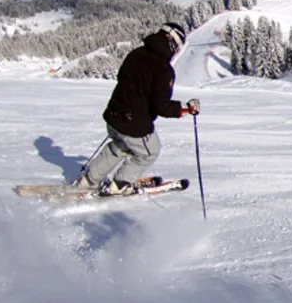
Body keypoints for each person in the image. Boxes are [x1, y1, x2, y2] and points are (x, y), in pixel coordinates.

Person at [74, 22, 201, 194]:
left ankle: (89, 180)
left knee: (119, 146)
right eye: (177, 47)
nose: (176, 51)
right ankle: (120, 184)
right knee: (149, 152)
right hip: (133, 123)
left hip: (113, 115)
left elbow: (123, 78)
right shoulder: (163, 69)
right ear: (171, 43)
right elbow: (161, 106)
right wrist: (186, 108)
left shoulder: (136, 53)